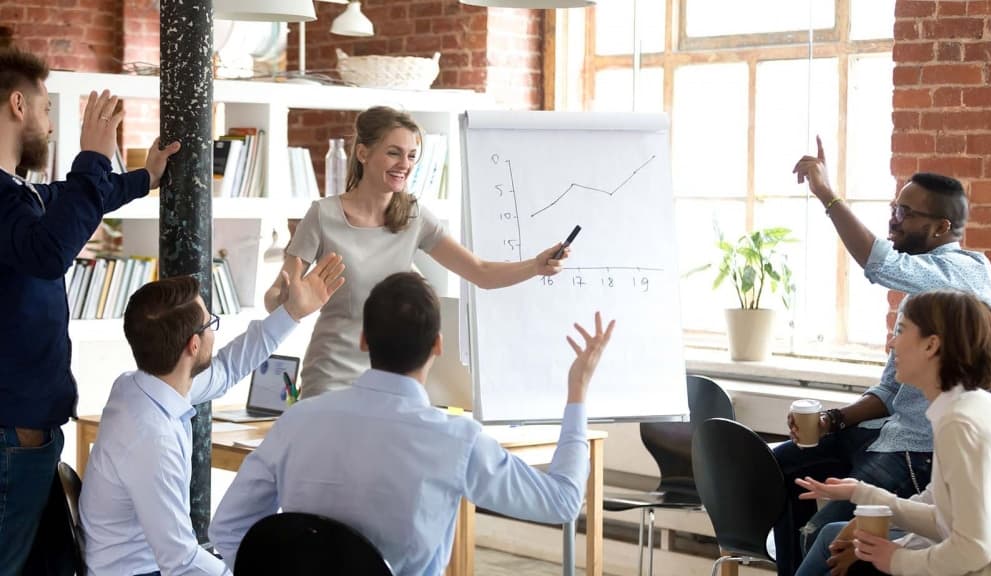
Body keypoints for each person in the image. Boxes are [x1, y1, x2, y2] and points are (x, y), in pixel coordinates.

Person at [211, 272, 615, 575]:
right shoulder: (457, 440)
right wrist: (577, 391)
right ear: (438, 344)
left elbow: (227, 528)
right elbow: (561, 502)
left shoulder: (298, 420)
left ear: (364, 340)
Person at [772, 137, 991, 576]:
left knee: (824, 532)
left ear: (941, 228)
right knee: (780, 468)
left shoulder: (960, 271)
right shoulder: (922, 292)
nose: (893, 220)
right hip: (889, 431)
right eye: (895, 207)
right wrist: (833, 420)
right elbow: (892, 387)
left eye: (905, 213)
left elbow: (878, 264)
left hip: (917, 450)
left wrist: (826, 192)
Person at [0, 48, 180, 575]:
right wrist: (95, 156)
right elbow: (50, 250)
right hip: (12, 433)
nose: (50, 126)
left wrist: (143, 177)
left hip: (24, 429)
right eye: (46, 110)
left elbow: (64, 203)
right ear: (17, 105)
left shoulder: (17, 193)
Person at [264, 106, 570, 397]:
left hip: (394, 380)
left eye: (411, 156)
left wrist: (535, 265)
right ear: (363, 153)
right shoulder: (322, 215)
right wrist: (285, 299)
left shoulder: (413, 217)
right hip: (331, 377)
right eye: (394, 153)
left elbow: (481, 272)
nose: (405, 165)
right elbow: (275, 295)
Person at [78, 255, 345, 576]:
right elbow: (180, 561)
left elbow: (227, 368)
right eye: (210, 323)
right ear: (193, 345)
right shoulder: (151, 440)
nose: (214, 330)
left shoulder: (136, 387)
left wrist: (291, 314)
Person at [794, 290, 991, 576]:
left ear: (931, 345)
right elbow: (944, 518)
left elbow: (975, 548)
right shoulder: (975, 407)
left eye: (901, 330)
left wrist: (897, 560)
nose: (891, 343)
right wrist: (861, 492)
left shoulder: (960, 423)